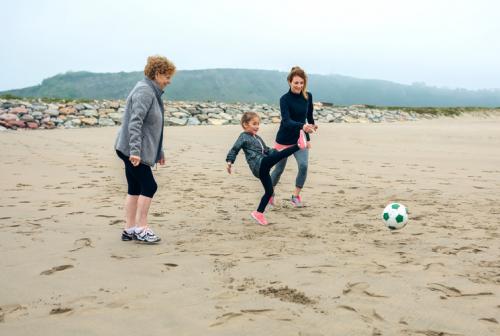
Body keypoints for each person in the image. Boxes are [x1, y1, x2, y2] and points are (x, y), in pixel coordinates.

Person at [115, 55, 176, 243]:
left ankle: (129, 229)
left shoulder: (150, 90)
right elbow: (135, 122)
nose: (169, 81)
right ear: (157, 74)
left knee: (135, 188)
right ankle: (141, 228)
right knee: (149, 186)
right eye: (167, 76)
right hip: (132, 149)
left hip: (131, 147)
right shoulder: (145, 91)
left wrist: (159, 151)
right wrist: (135, 151)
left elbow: (152, 127)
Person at [226, 112, 308, 225]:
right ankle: (299, 145)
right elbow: (235, 149)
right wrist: (230, 161)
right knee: (281, 156)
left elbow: (266, 150)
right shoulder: (243, 137)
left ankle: (258, 213)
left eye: (258, 124)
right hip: (258, 164)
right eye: (254, 124)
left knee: (269, 191)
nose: (257, 126)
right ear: (245, 124)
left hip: (263, 169)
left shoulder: (257, 137)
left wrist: (276, 151)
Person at [269, 66, 317, 208]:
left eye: (301, 83)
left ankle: (295, 196)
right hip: (284, 139)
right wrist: (303, 126)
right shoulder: (284, 99)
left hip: (300, 138)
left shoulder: (308, 96)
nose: (299, 86)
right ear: (290, 82)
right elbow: (286, 120)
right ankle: (269, 194)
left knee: (303, 165)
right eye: (296, 82)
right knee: (279, 169)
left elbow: (309, 117)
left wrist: (311, 129)